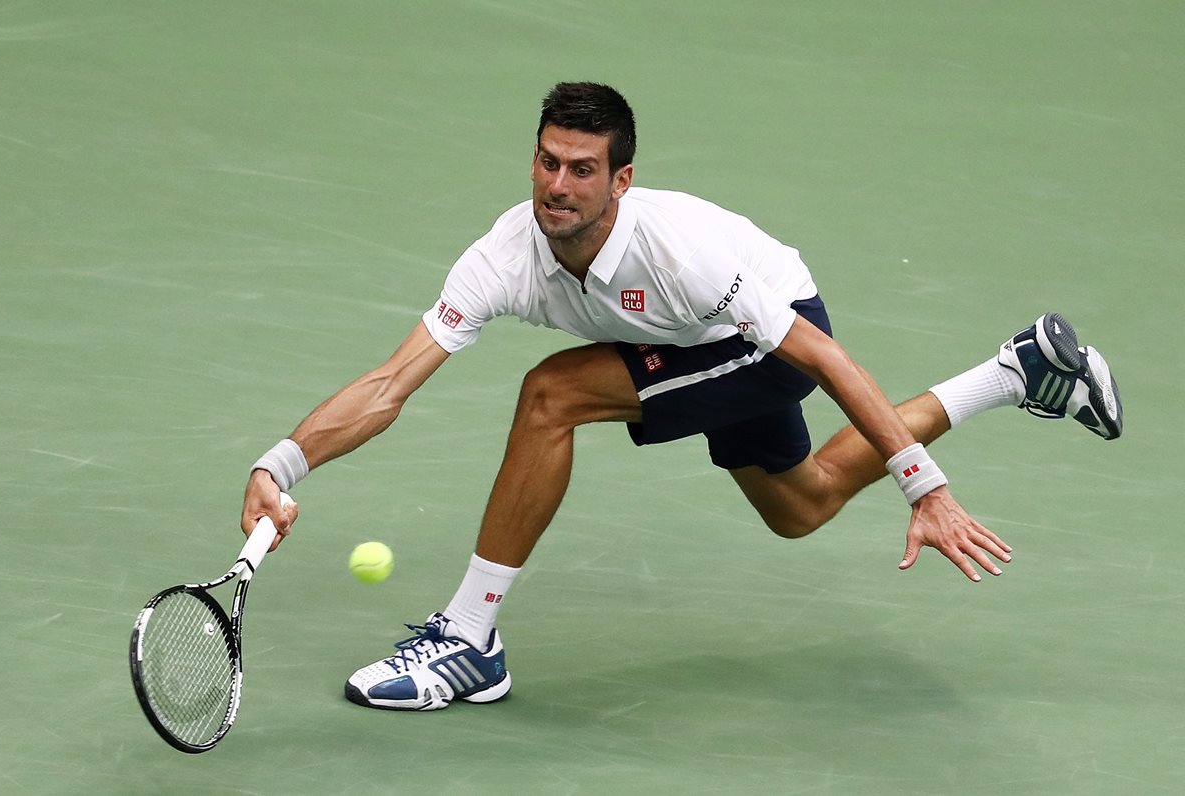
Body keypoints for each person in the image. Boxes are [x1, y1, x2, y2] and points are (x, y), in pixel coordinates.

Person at [241, 82, 1123, 712]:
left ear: (620, 181)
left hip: (764, 335)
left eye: (582, 169)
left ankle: (471, 639)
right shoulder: (504, 254)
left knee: (552, 393)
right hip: (674, 342)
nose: (557, 185)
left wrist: (924, 488)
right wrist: (281, 463)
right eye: (548, 162)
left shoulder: (682, 252)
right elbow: (393, 380)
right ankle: (1018, 371)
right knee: (801, 505)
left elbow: (824, 359)